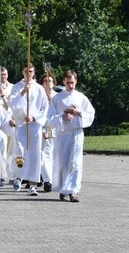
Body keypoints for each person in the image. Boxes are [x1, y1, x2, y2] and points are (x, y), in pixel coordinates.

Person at [48, 70, 95, 202]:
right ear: (63, 81)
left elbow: (90, 114)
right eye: (68, 83)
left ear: (76, 82)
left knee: (75, 163)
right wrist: (62, 116)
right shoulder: (57, 98)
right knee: (63, 162)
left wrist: (78, 112)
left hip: (76, 133)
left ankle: (73, 191)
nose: (70, 85)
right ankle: (63, 189)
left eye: (73, 83)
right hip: (63, 134)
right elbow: (50, 117)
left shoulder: (81, 97)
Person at [7, 63, 48, 196]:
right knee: (21, 150)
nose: (28, 74)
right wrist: (23, 91)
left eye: (30, 71)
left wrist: (34, 117)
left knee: (34, 154)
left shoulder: (39, 88)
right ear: (22, 72)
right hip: (20, 123)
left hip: (34, 125)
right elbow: (12, 104)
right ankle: (19, 176)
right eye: (26, 71)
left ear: (34, 72)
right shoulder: (17, 87)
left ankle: (32, 185)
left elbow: (44, 107)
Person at [40, 72, 57, 192]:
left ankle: (54, 179)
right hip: (43, 127)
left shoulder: (57, 97)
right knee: (43, 155)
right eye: (45, 81)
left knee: (54, 155)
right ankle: (47, 180)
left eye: (50, 81)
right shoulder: (39, 97)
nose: (48, 83)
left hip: (55, 128)